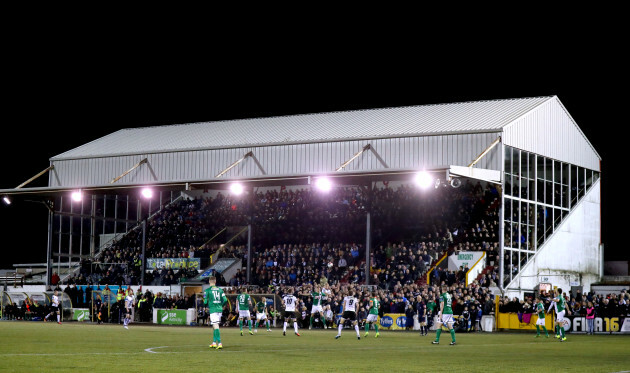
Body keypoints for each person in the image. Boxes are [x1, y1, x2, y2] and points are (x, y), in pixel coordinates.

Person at [204, 276, 228, 349]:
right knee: (214, 325)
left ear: (209, 281)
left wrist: (205, 306)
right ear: (215, 282)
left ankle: (220, 343)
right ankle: (214, 343)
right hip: (219, 309)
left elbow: (205, 301)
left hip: (213, 309)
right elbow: (225, 300)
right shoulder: (220, 290)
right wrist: (222, 305)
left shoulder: (207, 290)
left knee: (215, 325)